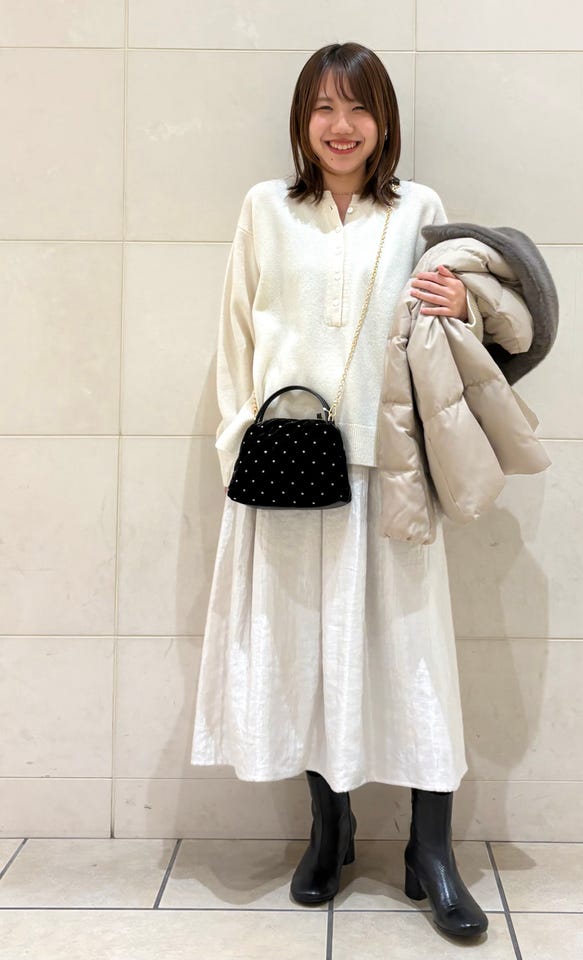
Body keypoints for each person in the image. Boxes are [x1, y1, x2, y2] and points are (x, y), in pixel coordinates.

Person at [190, 41, 488, 940]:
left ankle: (430, 852)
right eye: (323, 106)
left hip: (391, 470)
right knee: (310, 656)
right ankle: (332, 830)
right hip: (289, 469)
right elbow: (236, 333)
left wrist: (464, 306)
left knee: (415, 656)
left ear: (384, 120)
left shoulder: (420, 208)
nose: (341, 125)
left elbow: (452, 329)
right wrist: (241, 442)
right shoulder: (266, 208)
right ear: (302, 119)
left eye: (358, 107)